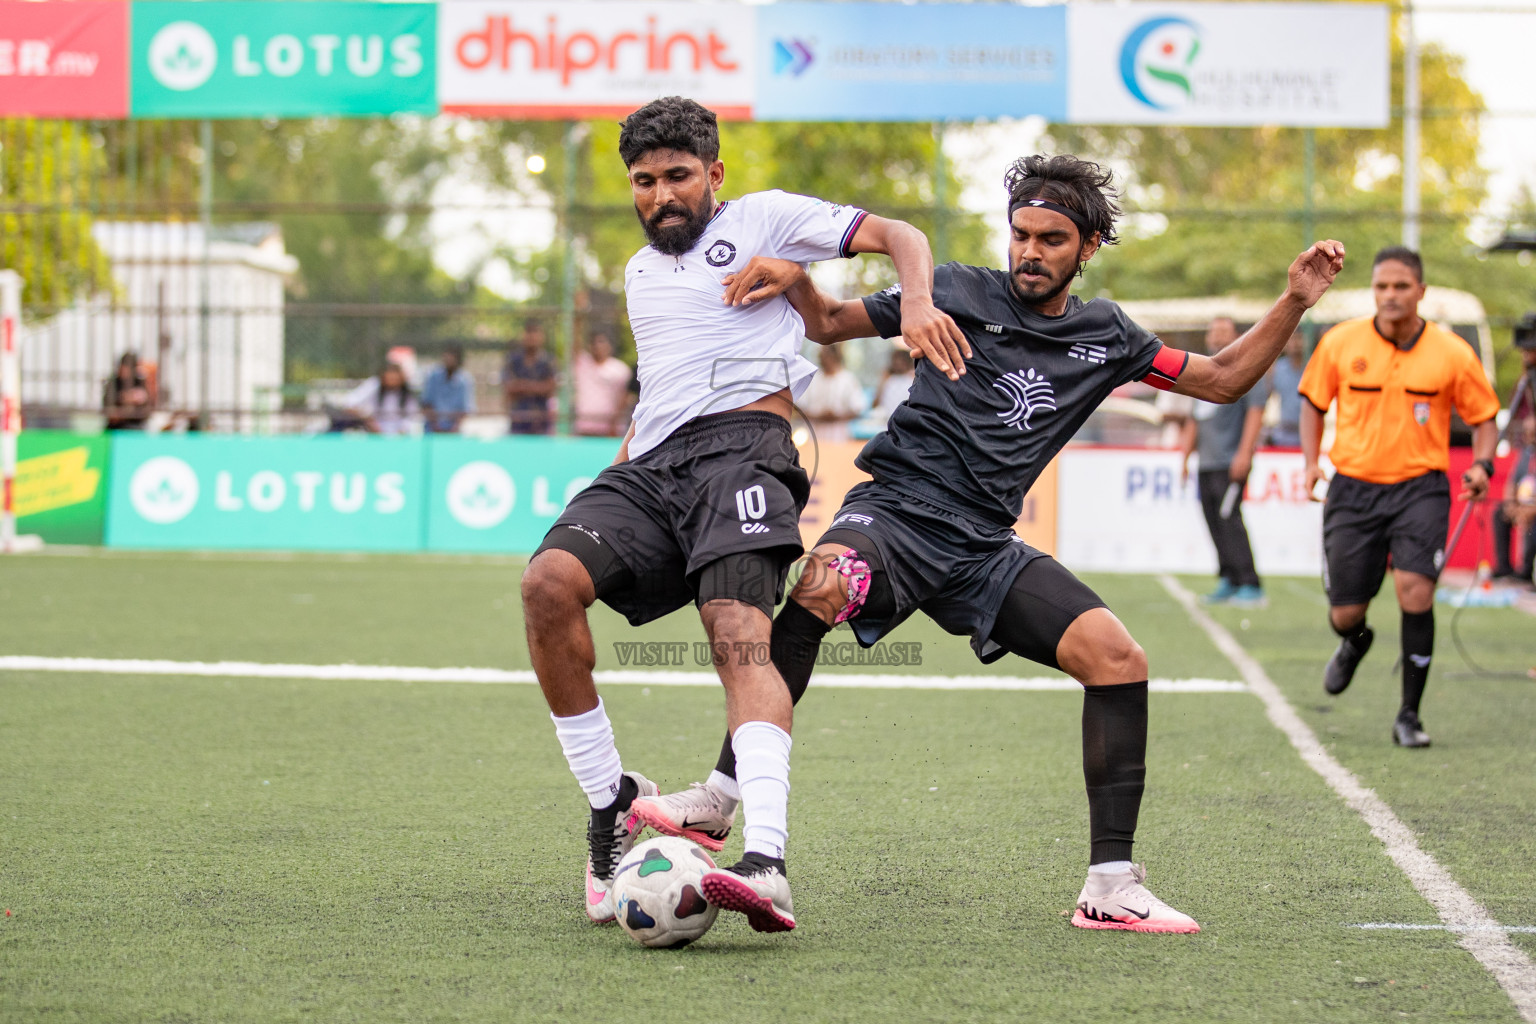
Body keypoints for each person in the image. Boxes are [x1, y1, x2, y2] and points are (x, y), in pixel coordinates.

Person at [631, 153, 1346, 933]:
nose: (1031, 251)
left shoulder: (1108, 336)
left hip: (981, 546)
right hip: (895, 514)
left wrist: (1295, 300)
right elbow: (830, 323)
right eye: (1021, 234)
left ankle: (1110, 886)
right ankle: (721, 798)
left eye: (1052, 238)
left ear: (1091, 246)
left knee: (1118, 658)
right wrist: (795, 277)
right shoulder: (959, 288)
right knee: (818, 588)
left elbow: (1221, 378)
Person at [518, 96, 965, 934]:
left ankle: (766, 861)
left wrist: (914, 305)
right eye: (644, 182)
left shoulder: (767, 218)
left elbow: (903, 235)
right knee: (546, 584)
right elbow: (665, 389)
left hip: (745, 451)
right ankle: (612, 804)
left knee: (734, 628)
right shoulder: (640, 273)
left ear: (714, 175)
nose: (660, 195)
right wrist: (613, 481)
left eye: (678, 176)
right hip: (652, 466)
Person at [1300, 246, 1500, 748]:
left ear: (1421, 292)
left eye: (1401, 286)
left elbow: (1484, 419)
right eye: (1382, 286)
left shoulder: (1453, 352)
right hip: (1353, 489)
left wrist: (1482, 464)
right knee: (1345, 613)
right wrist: (1310, 462)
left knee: (1417, 592)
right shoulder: (1341, 342)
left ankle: (1409, 716)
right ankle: (1356, 642)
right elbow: (1313, 402)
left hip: (1421, 489)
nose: (1390, 295)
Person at [1180, 317, 1268, 607]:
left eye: (1223, 332)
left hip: (1230, 461)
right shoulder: (1202, 371)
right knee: (1213, 521)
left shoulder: (1244, 369)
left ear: (1236, 337)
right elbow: (1195, 418)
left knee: (1230, 520)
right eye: (1212, 331)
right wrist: (1184, 456)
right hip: (1206, 463)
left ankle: (1250, 584)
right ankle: (1228, 579)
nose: (1216, 337)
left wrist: (1245, 453)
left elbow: (1256, 412)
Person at [1491, 415, 1536, 583]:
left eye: (1532, 432)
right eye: (1526, 432)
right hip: (1521, 504)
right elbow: (1512, 482)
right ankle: (1504, 567)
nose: (1528, 436)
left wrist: (1530, 510)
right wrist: (1511, 505)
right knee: (1499, 513)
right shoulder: (1525, 453)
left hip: (1533, 508)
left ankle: (1526, 570)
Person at [797, 343, 867, 442]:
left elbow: (857, 409)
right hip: (813, 435)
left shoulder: (848, 379)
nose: (821, 358)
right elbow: (800, 409)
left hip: (839, 436)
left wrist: (835, 417)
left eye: (825, 354)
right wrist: (819, 416)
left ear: (835, 356)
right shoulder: (812, 379)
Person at [572, 330, 634, 437]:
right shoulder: (584, 363)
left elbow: (625, 398)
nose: (597, 346)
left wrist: (616, 421)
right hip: (584, 425)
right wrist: (578, 317)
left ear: (609, 346)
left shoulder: (620, 369)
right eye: (594, 343)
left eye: (601, 342)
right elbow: (574, 343)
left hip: (610, 428)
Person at [504, 320, 557, 435]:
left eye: (535, 332)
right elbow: (509, 388)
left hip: (541, 422)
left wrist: (522, 385)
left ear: (542, 336)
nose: (532, 337)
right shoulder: (513, 360)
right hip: (518, 421)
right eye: (528, 332)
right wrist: (538, 387)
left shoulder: (549, 361)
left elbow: (550, 389)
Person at [343, 361, 419, 435]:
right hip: (374, 432)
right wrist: (366, 418)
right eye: (390, 378)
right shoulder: (373, 386)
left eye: (396, 379)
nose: (392, 381)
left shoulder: (407, 393)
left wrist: (403, 430)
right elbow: (349, 403)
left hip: (400, 436)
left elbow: (413, 416)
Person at [420, 345, 475, 434]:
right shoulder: (433, 377)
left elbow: (465, 409)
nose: (449, 360)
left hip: (453, 431)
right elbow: (426, 403)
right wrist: (435, 425)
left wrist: (454, 428)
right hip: (432, 428)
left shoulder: (465, 380)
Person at [1268, 332, 1306, 447]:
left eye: (1299, 339)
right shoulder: (1277, 369)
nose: (1296, 344)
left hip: (1307, 430)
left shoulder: (1312, 367)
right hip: (1284, 432)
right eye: (1292, 340)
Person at [103, 352, 153, 430]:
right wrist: (124, 398)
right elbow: (108, 406)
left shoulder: (139, 382)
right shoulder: (113, 383)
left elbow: (147, 408)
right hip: (116, 426)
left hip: (135, 425)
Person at [872, 346, 916, 422]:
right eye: (895, 361)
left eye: (901, 362)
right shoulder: (889, 381)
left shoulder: (912, 380)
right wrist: (883, 381)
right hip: (889, 422)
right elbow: (875, 404)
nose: (898, 364)